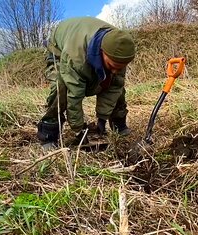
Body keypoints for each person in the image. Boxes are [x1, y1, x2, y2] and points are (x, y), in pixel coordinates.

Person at [36, 17, 136, 147]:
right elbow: (75, 94)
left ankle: (119, 125)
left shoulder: (119, 50)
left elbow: (114, 88)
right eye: (112, 66)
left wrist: (102, 119)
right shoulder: (76, 57)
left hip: (86, 45)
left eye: (120, 67)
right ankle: (49, 133)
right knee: (61, 86)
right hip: (60, 51)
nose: (116, 70)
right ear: (102, 52)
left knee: (117, 86)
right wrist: (79, 130)